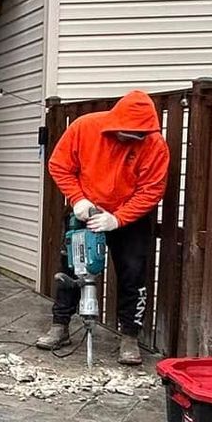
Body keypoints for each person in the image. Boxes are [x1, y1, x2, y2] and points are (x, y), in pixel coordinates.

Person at [38, 90, 171, 366]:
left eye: (139, 135)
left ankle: (130, 337)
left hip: (129, 217)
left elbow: (152, 190)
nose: (133, 139)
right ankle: (60, 325)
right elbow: (59, 165)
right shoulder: (85, 128)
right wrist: (78, 199)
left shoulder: (154, 144)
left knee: (133, 274)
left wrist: (119, 218)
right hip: (86, 211)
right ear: (116, 123)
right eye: (128, 134)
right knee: (72, 267)